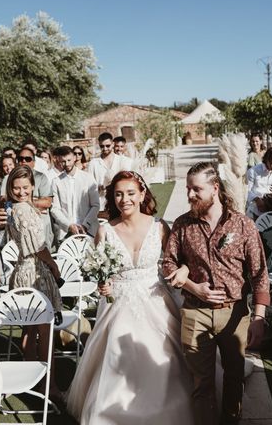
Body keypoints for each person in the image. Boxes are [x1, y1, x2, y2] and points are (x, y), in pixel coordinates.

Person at [68, 171, 193, 424]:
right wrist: (103, 283)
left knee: (164, 357)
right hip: (119, 302)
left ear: (142, 194)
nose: (124, 199)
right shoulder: (105, 230)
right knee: (115, 358)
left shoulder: (160, 227)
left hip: (156, 298)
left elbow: (174, 263)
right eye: (118, 194)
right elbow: (99, 268)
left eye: (130, 193)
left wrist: (184, 271)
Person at [162, 161, 269, 425]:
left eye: (196, 189)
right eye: (188, 189)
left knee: (234, 378)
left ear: (215, 188)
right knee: (201, 383)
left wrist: (259, 317)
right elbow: (168, 264)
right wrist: (193, 286)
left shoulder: (243, 225)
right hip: (194, 313)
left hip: (235, 314)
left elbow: (259, 274)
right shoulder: (182, 225)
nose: (189, 195)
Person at [5, 166, 63, 396]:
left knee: (29, 329)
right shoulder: (22, 210)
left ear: (32, 187)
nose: (21, 192)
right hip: (33, 271)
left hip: (24, 269)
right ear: (10, 187)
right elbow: (37, 247)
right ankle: (49, 384)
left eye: (25, 187)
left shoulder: (20, 208)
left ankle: (31, 381)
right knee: (45, 332)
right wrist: (54, 266)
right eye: (16, 188)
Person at [0, 147, 54, 248]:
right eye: (21, 158)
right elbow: (5, 202)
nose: (24, 161)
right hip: (17, 228)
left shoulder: (41, 177)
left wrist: (20, 203)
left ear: (34, 161)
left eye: (27, 159)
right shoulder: (9, 178)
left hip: (40, 227)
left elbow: (47, 202)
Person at [50, 146, 100, 243]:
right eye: (63, 161)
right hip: (66, 233)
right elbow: (55, 208)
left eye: (69, 160)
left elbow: (95, 205)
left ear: (74, 158)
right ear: (59, 161)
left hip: (89, 230)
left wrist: (85, 224)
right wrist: (69, 226)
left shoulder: (88, 178)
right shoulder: (56, 182)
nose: (67, 164)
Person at [88, 133, 133, 210]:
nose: (105, 148)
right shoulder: (93, 163)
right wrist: (98, 187)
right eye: (102, 146)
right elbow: (89, 186)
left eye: (107, 146)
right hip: (101, 204)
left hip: (120, 204)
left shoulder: (123, 161)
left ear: (112, 144)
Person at [245, 147, 272, 219]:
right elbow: (246, 191)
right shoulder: (253, 171)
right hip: (255, 210)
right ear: (267, 160)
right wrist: (257, 200)